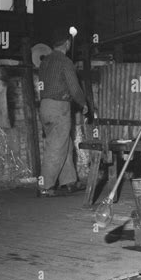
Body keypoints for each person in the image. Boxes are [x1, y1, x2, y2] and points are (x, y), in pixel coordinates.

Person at [37, 28, 87, 197]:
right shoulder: (65, 62)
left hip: (44, 106)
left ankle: (69, 181)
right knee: (56, 146)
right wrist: (83, 103)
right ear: (67, 43)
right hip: (59, 107)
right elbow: (74, 88)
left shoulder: (45, 62)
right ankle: (45, 186)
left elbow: (41, 85)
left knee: (62, 142)